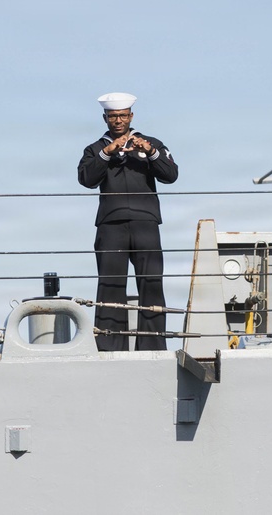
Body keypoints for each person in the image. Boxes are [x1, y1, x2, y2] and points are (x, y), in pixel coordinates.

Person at [77, 92, 178, 351]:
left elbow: (171, 174)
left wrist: (151, 152)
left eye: (123, 115)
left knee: (151, 282)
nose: (118, 121)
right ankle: (110, 346)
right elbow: (86, 179)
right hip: (111, 225)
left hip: (146, 223)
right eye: (113, 116)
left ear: (131, 116)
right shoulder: (95, 149)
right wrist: (108, 153)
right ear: (105, 118)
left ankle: (153, 346)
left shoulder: (151, 142)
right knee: (111, 284)